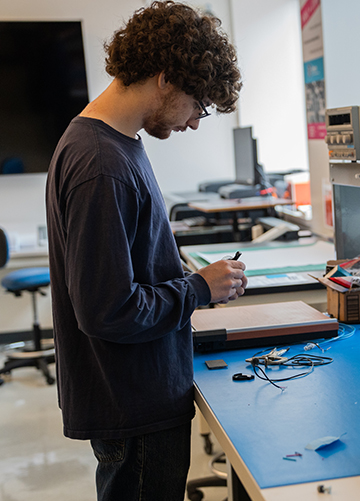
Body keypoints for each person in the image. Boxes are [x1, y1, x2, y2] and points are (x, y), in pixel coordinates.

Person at [44, 2, 246, 500]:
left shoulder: (115, 143)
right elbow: (108, 310)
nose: (195, 122)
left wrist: (180, 276)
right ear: (165, 79)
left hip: (136, 394)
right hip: (132, 404)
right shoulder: (101, 164)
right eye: (197, 105)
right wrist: (199, 288)